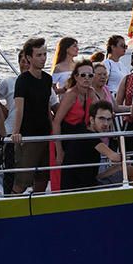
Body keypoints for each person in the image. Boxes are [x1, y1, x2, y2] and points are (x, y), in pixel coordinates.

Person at [12, 37, 55, 194]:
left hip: (45, 134)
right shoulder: (22, 80)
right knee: (22, 181)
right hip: (29, 136)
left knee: (43, 178)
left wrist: (53, 132)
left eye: (44, 54)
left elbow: (47, 107)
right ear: (29, 58)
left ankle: (37, 206)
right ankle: (13, 208)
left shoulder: (47, 79)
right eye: (39, 55)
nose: (43, 58)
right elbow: (19, 108)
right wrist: (16, 132)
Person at [52, 60, 99, 191]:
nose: (87, 78)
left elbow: (98, 112)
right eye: (83, 75)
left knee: (87, 173)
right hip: (67, 138)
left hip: (82, 137)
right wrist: (59, 151)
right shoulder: (71, 95)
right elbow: (56, 122)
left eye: (90, 75)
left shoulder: (91, 93)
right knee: (69, 177)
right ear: (76, 77)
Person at [87, 101, 123, 187]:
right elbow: (115, 157)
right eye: (101, 119)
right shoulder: (90, 137)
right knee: (128, 169)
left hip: (92, 180)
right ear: (92, 120)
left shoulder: (95, 135)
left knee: (129, 169)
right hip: (84, 186)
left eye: (109, 119)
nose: (106, 124)